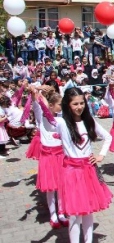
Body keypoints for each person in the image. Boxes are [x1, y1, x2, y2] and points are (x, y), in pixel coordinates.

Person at [55, 87, 112, 243]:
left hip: (88, 171)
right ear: (67, 104)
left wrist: (101, 155)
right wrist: (37, 97)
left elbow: (108, 137)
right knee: (74, 215)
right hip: (71, 172)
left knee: (88, 211)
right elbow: (44, 115)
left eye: (81, 103)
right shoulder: (61, 123)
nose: (79, 107)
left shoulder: (89, 121)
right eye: (75, 104)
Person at [29, 86, 68, 229]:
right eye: (59, 104)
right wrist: (35, 92)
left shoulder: (61, 116)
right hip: (48, 156)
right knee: (51, 187)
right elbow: (35, 103)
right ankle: (53, 214)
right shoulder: (42, 115)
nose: (61, 107)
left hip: (61, 155)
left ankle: (62, 212)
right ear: (51, 105)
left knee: (62, 186)